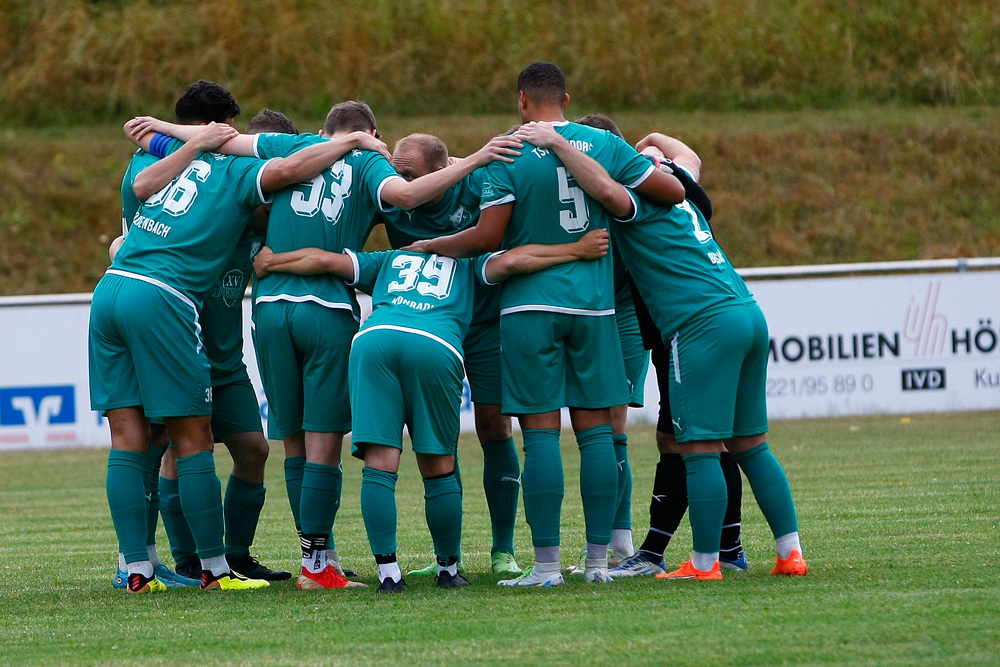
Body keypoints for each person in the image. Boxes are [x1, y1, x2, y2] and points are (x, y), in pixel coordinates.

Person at [127, 101, 523, 589]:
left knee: (292, 444)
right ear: (374, 133)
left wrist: (163, 127)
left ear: (323, 131)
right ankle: (319, 567)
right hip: (326, 312)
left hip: (268, 309)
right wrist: (478, 156)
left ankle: (314, 555)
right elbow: (408, 193)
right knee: (322, 446)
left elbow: (222, 140)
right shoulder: (371, 163)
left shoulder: (298, 146)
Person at [93, 81, 392, 594]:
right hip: (167, 306)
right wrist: (351, 143)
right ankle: (201, 566)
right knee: (181, 440)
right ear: (227, 133)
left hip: (124, 294)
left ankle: (154, 567)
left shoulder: (160, 158)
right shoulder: (239, 173)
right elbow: (287, 171)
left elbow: (140, 201)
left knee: (232, 446)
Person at [405, 62, 684, 586]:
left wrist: (433, 244)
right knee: (598, 434)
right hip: (596, 307)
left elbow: (488, 237)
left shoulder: (508, 150)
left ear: (522, 101)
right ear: (567, 98)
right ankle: (601, 563)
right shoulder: (600, 144)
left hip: (529, 308)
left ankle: (548, 566)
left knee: (539, 436)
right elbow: (671, 193)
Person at [513, 118, 808, 581]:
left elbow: (609, 194)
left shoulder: (643, 200)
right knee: (752, 445)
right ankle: (790, 553)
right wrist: (650, 141)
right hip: (746, 311)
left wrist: (556, 142)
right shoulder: (681, 184)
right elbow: (690, 156)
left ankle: (706, 564)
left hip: (700, 324)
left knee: (698, 447)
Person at [253, 229, 612, 592]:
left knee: (380, 464)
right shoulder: (471, 262)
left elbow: (324, 260)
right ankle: (447, 569)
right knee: (439, 466)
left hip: (373, 339)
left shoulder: (390, 258)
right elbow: (517, 259)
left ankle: (389, 575)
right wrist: (576, 249)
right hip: (434, 343)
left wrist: (271, 262)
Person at [381, 133, 522, 577]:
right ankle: (450, 557)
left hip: (484, 322)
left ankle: (503, 549)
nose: (400, 183)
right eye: (397, 173)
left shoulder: (481, 184)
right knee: (438, 434)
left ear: (442, 172)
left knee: (494, 424)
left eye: (409, 175)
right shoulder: (389, 197)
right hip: (430, 327)